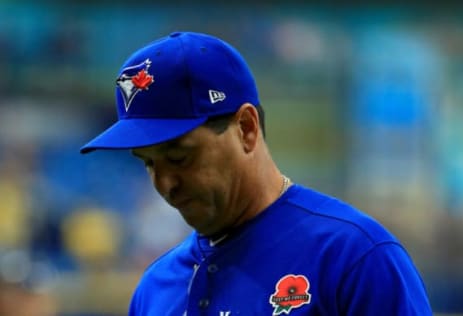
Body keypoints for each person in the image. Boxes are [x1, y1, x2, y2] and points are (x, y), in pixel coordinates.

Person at [80, 31, 432, 315]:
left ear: (246, 128)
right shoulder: (154, 289)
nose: (164, 184)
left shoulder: (353, 258)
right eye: (149, 162)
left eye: (180, 157)